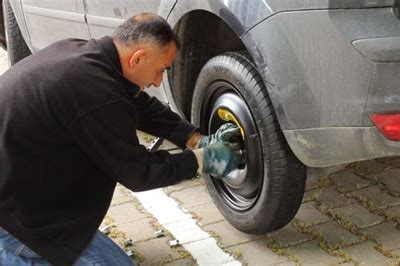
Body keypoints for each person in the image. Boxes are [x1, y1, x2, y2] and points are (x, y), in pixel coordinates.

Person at [0, 13, 242, 265]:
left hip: (20, 185)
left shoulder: (85, 56)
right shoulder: (96, 94)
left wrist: (193, 138)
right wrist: (203, 160)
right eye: (160, 71)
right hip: (15, 221)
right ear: (137, 58)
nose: (158, 81)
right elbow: (139, 172)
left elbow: (137, 104)